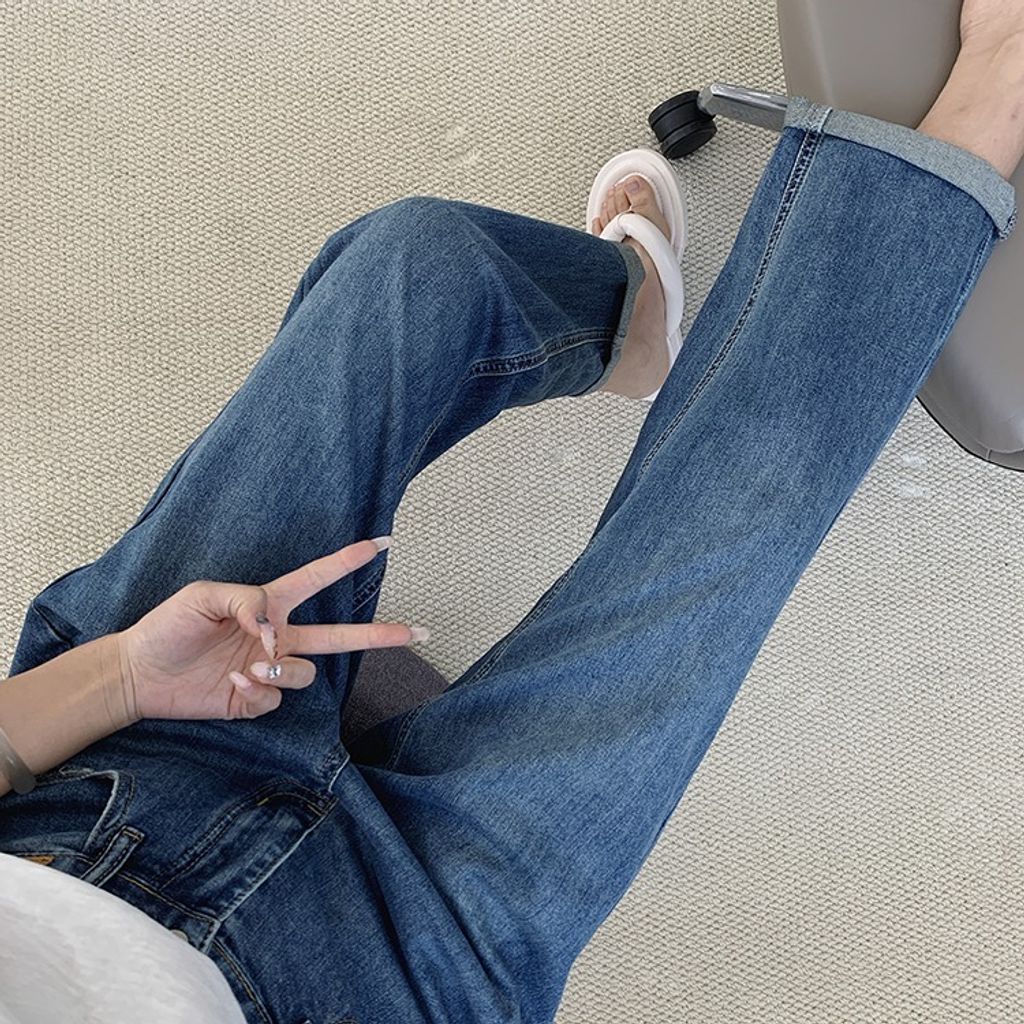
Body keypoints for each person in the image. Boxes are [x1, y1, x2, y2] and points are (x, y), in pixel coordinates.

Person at [1, 0, 1022, 1020]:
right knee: (737, 510)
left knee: (417, 266)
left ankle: (630, 323)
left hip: (101, 777)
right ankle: (992, 99)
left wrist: (123, 673)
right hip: (406, 973)